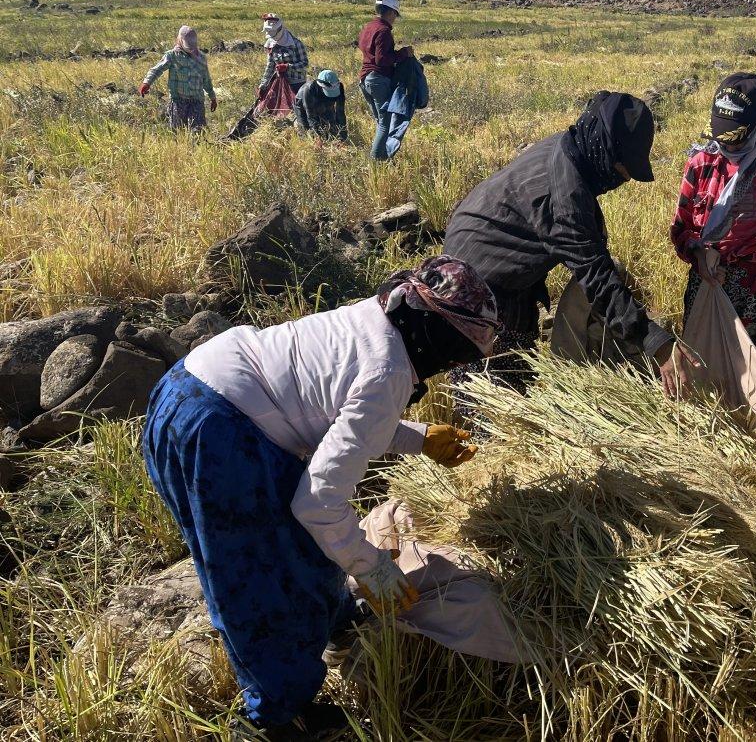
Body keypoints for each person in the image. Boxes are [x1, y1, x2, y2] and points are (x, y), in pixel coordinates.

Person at [141, 255, 500, 741]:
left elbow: (338, 406)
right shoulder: (388, 370)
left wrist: (418, 438)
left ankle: (332, 622)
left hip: (191, 388)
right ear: (437, 333)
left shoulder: (375, 319)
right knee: (256, 575)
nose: (453, 366)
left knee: (302, 549)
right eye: (458, 354)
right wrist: (370, 565)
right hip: (221, 433)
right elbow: (318, 502)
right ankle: (272, 718)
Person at [443, 91, 695, 398]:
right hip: (477, 275)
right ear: (604, 151)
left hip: (503, 260)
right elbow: (597, 278)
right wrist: (658, 345)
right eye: (622, 170)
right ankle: (483, 441)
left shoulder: (572, 145)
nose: (624, 180)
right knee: (491, 388)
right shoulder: (565, 197)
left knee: (519, 356)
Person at [671, 74, 756, 378]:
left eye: (735, 138)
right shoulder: (702, 163)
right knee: (703, 379)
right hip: (711, 286)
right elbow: (681, 229)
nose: (724, 146)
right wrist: (698, 255)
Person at [358, 0, 415, 160]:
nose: (395, 19)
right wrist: (403, 54)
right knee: (385, 123)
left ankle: (381, 156)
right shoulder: (383, 31)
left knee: (380, 121)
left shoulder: (368, 27)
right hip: (378, 79)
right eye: (395, 15)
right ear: (390, 12)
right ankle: (377, 162)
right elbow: (382, 59)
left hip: (365, 78)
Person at [139, 25, 217, 131]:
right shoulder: (172, 56)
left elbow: (206, 79)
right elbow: (157, 69)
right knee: (178, 132)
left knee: (198, 131)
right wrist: (147, 82)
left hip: (197, 101)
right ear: (180, 40)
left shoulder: (201, 58)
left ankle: (196, 147)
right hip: (178, 101)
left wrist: (212, 97)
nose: (190, 49)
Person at [259, 13, 308, 96]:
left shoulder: (296, 44)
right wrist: (263, 85)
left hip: (297, 84)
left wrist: (287, 67)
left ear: (280, 29)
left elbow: (304, 64)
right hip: (279, 82)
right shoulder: (271, 44)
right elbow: (270, 66)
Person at [293, 69, 348, 143]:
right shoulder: (309, 90)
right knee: (305, 131)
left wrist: (343, 136)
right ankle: (296, 122)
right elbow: (311, 116)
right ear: (321, 86)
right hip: (303, 106)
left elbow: (340, 111)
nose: (332, 93)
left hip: (324, 102)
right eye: (329, 91)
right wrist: (317, 137)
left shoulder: (339, 86)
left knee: (332, 130)